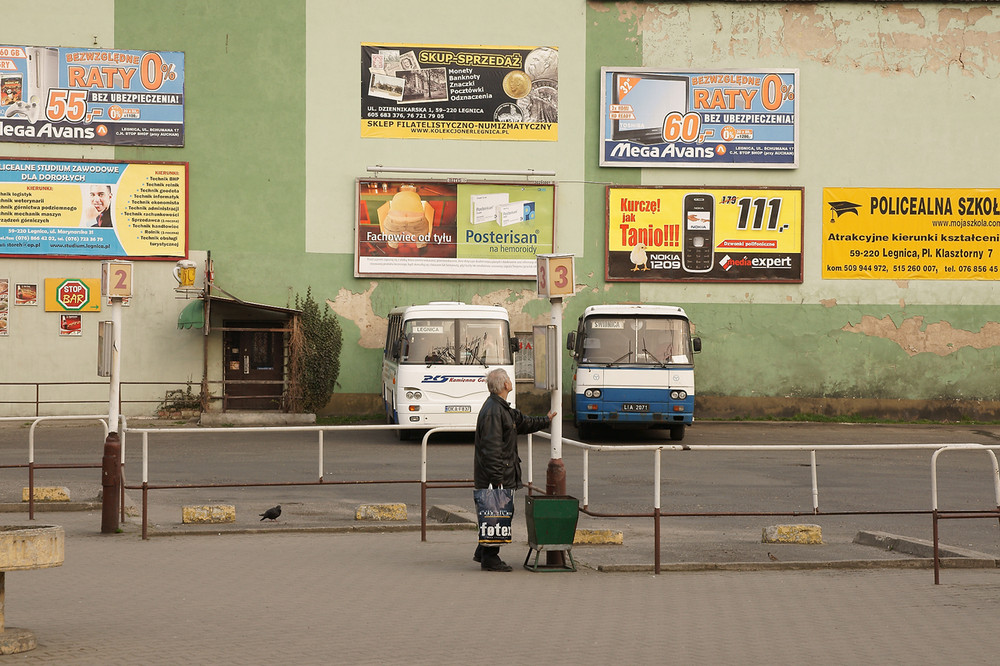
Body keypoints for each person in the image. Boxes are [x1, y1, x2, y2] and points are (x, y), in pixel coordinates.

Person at [473, 368, 556, 572]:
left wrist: (546, 420)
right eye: (509, 379)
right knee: (499, 513)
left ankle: (483, 551)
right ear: (504, 385)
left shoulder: (500, 407)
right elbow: (491, 449)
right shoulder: (494, 411)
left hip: (500, 473)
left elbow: (522, 422)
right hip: (497, 475)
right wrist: (497, 479)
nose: (511, 381)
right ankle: (490, 558)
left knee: (495, 513)